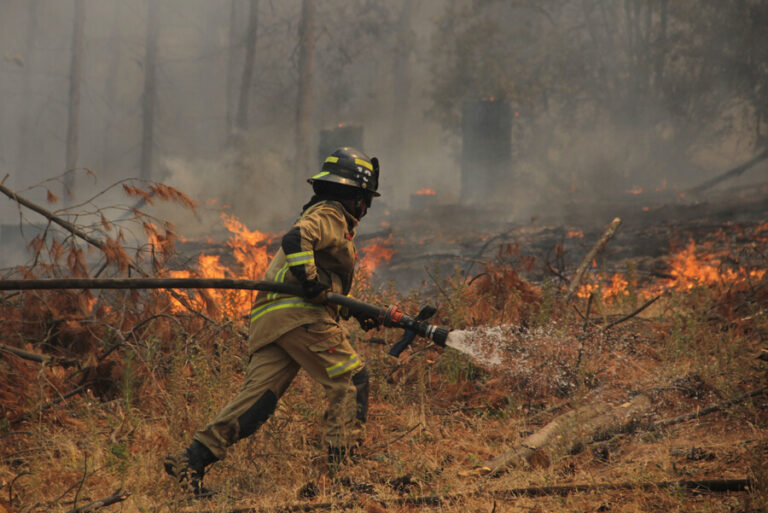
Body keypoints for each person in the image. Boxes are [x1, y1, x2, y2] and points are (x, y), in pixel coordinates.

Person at [164, 147, 381, 495]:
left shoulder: (325, 216)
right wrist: (310, 282)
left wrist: (354, 309)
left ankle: (191, 460)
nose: (366, 208)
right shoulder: (330, 214)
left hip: (273, 320)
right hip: (300, 316)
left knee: (256, 403)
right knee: (353, 380)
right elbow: (296, 241)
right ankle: (339, 480)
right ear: (355, 196)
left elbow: (326, 285)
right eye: (366, 199)